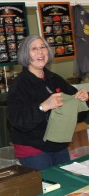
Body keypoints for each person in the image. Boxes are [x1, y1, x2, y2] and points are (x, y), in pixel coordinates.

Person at [7, 34, 89, 170]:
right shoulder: (19, 85)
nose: (40, 52)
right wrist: (43, 107)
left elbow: (77, 112)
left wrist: (83, 100)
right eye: (33, 49)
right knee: (48, 188)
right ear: (25, 55)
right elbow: (18, 121)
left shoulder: (54, 78)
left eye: (42, 47)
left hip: (58, 144)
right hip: (33, 147)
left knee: (66, 184)